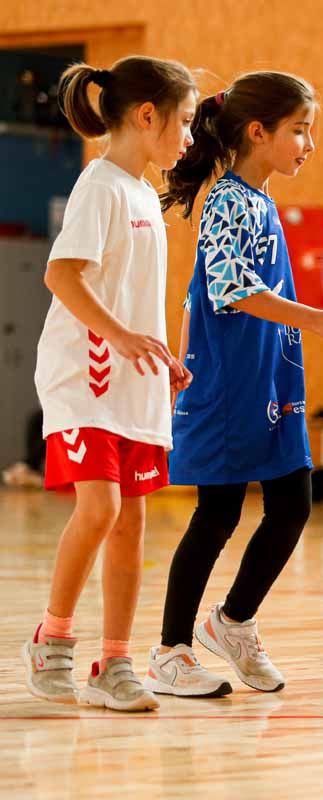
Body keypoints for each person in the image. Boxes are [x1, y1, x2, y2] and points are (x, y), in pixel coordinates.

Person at [150, 72, 323, 697]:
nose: (309, 143)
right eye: (300, 130)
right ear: (259, 132)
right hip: (229, 385)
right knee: (216, 515)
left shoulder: (260, 200)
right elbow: (227, 288)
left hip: (272, 380)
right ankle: (170, 650)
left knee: (292, 504)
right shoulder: (227, 199)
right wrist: (318, 320)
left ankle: (233, 622)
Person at [22, 56, 198, 711]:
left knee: (132, 526)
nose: (188, 136)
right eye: (183, 121)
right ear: (147, 116)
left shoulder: (145, 195)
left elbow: (136, 296)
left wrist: (158, 354)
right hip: (85, 378)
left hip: (134, 383)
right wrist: (119, 337)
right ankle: (53, 640)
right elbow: (61, 276)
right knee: (100, 510)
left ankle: (114, 663)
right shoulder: (100, 184)